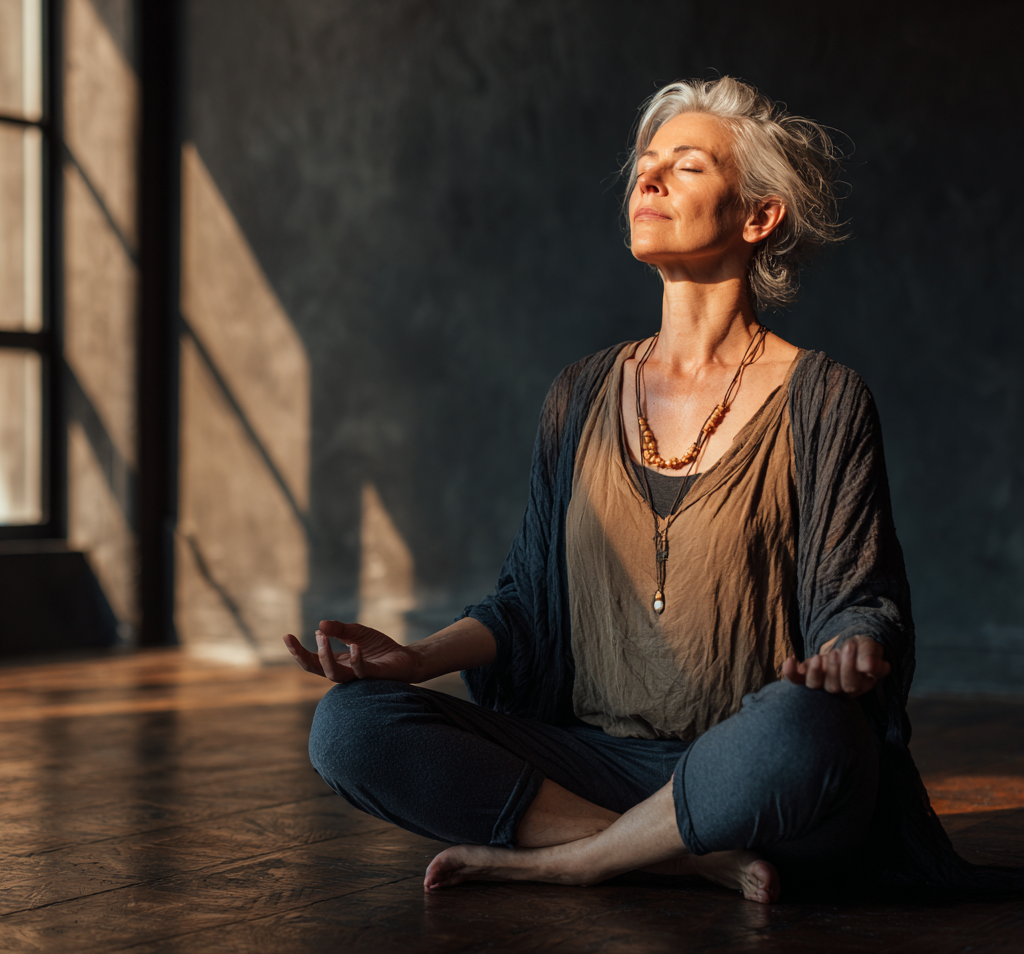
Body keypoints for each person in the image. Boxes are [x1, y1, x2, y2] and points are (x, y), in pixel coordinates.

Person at [284, 77, 1013, 902]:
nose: (650, 180)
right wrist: (412, 661)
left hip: (746, 765)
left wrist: (853, 647)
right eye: (645, 164)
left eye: (688, 166)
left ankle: (572, 858)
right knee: (351, 728)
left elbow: (858, 596)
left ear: (758, 215)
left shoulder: (824, 396)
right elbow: (527, 604)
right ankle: (670, 852)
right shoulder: (581, 392)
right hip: (595, 763)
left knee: (807, 730)